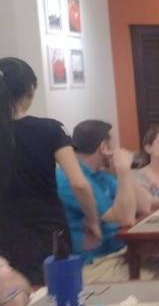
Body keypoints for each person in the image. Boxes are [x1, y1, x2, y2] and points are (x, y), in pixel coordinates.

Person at [0, 56, 100, 285]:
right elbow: (79, 183)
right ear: (30, 90)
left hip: (4, 230)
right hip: (46, 229)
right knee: (52, 292)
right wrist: (92, 220)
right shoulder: (50, 129)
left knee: (9, 297)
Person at [56, 120, 153, 283]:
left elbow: (144, 206)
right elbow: (126, 219)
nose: (118, 150)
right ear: (104, 147)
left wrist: (125, 172)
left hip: (119, 254)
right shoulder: (70, 179)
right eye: (114, 145)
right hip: (94, 266)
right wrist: (123, 171)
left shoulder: (101, 176)